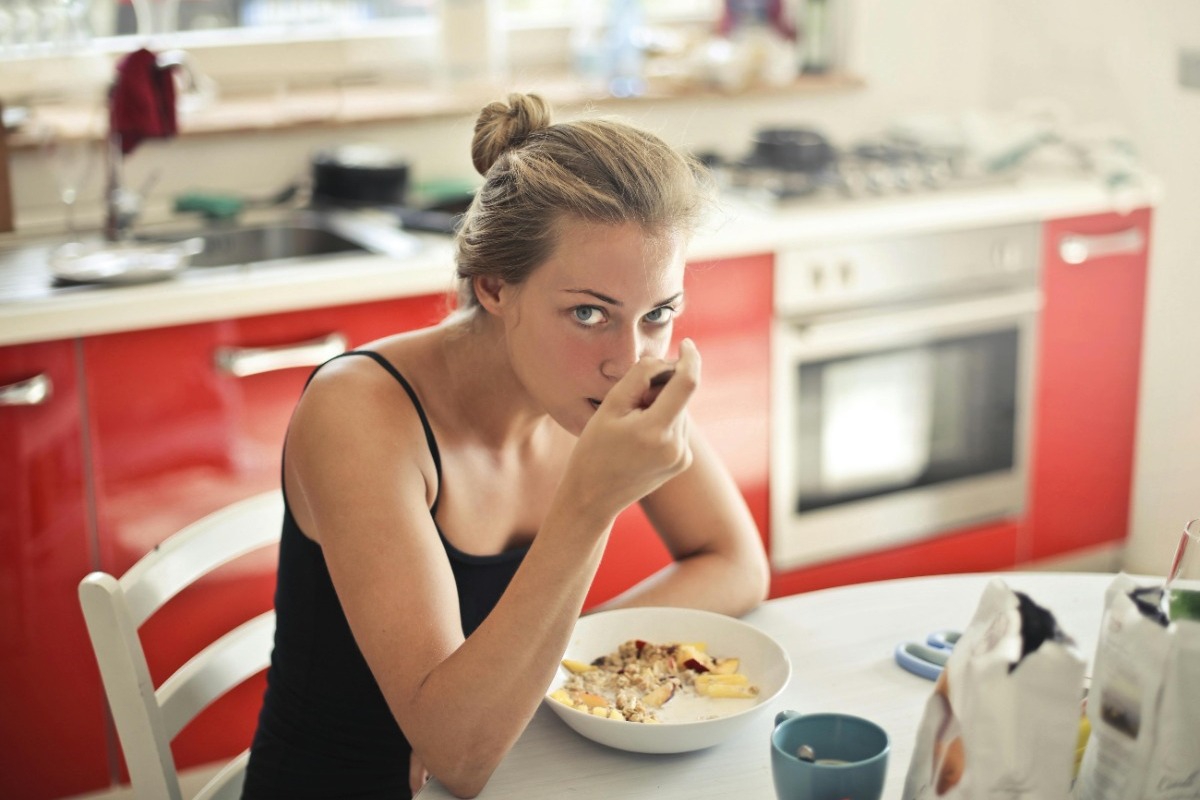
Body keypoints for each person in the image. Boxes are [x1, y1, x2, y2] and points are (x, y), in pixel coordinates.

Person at [242, 92, 770, 799]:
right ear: (494, 287)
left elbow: (735, 563)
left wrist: (538, 671)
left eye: (658, 314)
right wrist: (590, 504)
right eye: (588, 313)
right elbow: (458, 756)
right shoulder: (362, 414)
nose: (629, 359)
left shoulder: (610, 378)